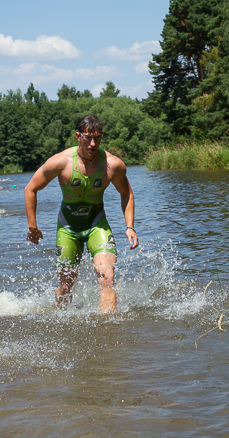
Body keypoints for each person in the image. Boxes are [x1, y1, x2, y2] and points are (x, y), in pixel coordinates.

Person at [24, 114, 138, 313]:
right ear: (78, 136)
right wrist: (32, 225)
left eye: (97, 138)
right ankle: (61, 322)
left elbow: (126, 193)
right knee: (66, 286)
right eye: (88, 137)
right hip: (68, 227)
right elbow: (30, 189)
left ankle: (107, 329)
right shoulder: (60, 162)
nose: (93, 143)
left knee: (107, 277)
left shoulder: (113, 165)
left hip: (97, 224)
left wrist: (130, 226)